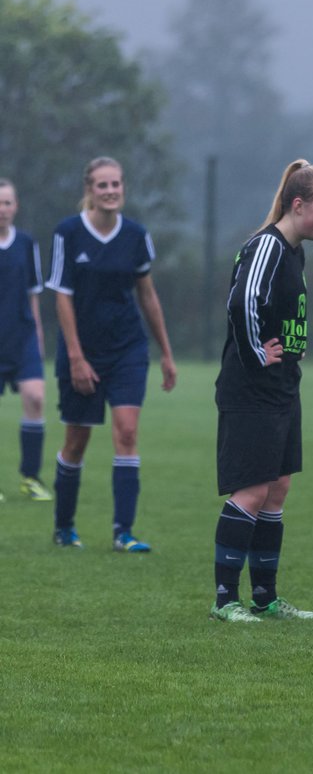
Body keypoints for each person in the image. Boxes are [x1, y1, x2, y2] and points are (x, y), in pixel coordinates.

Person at [209, 159, 313, 623]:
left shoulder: (294, 250)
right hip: (252, 389)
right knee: (251, 491)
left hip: (283, 388)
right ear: (298, 204)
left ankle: (265, 599)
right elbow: (242, 301)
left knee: (277, 489)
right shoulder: (266, 245)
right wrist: (255, 354)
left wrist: (294, 346)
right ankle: (226, 601)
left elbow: (279, 308)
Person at [46, 157, 177, 550]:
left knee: (127, 431)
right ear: (89, 189)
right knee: (76, 441)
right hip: (81, 351)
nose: (110, 191)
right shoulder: (67, 233)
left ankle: (124, 533)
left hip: (127, 348)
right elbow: (62, 297)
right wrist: (76, 357)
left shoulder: (136, 235)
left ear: (123, 188)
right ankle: (64, 527)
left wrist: (166, 353)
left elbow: (148, 295)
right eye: (102, 185)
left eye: (116, 184)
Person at [0, 179, 53, 503]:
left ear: (16, 207)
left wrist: (38, 335)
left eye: (7, 203)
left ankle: (30, 478)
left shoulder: (26, 243)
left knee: (35, 398)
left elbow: (34, 295)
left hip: (22, 337)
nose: (2, 209)